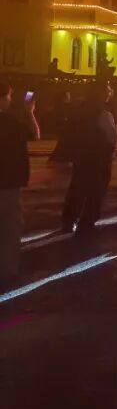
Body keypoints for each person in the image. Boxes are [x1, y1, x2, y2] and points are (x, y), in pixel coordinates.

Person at [62, 83, 117, 234]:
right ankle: (87, 222)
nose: (110, 93)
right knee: (96, 191)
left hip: (82, 156)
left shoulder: (79, 110)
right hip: (99, 158)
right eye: (108, 91)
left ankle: (69, 220)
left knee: (77, 188)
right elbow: (112, 137)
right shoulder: (103, 114)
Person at [0, 82, 39, 282]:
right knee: (9, 227)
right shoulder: (9, 122)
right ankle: (7, 271)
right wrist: (29, 112)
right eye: (8, 96)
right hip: (8, 183)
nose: (10, 100)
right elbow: (34, 135)